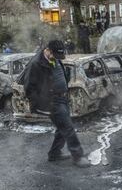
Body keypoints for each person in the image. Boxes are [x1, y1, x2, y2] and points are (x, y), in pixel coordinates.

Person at [23, 40, 90, 168]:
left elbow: (58, 74)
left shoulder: (54, 58)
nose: (58, 59)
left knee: (62, 128)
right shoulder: (35, 64)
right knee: (68, 128)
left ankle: (54, 154)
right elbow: (29, 89)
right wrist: (44, 104)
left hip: (62, 98)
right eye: (56, 56)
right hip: (52, 102)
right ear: (48, 50)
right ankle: (78, 156)